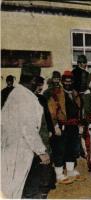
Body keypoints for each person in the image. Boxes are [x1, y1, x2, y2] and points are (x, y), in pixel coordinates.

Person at [1, 64, 50, 198]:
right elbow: (28, 128)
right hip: (20, 149)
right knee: (16, 187)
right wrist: (41, 151)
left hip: (9, 147)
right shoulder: (26, 98)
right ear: (33, 81)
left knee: (9, 185)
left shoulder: (16, 93)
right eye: (38, 82)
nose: (39, 85)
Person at [22, 76, 56, 198]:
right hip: (30, 138)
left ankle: (43, 188)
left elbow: (47, 116)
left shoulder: (41, 99)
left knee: (45, 162)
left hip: (43, 135)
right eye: (38, 87)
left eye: (41, 87)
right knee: (33, 164)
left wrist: (51, 129)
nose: (40, 90)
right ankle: (31, 191)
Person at [47, 71, 84, 184]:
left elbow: (79, 110)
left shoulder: (75, 93)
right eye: (66, 81)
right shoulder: (56, 93)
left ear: (72, 82)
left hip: (73, 125)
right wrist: (55, 126)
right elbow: (52, 111)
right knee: (60, 149)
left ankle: (70, 171)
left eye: (70, 81)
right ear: (62, 82)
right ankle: (59, 174)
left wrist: (80, 125)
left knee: (71, 148)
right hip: (62, 126)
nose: (68, 83)